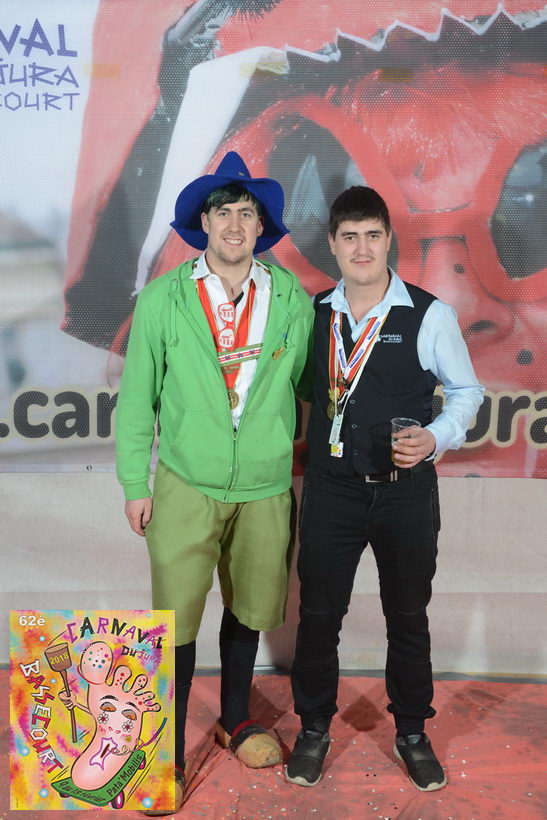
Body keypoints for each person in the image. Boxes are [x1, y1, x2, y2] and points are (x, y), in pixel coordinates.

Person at [115, 151, 313, 814]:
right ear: (204, 222)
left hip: (263, 485)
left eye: (246, 213)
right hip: (185, 482)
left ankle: (236, 719)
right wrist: (134, 483)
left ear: (261, 225)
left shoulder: (290, 298)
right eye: (223, 211)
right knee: (174, 617)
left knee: (249, 607)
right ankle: (166, 754)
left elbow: (311, 386)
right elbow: (136, 399)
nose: (234, 224)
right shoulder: (164, 298)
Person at [285, 186, 484, 793]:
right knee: (319, 615)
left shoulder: (429, 313)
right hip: (331, 489)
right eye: (350, 237)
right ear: (333, 244)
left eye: (373, 235)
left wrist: (435, 436)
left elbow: (467, 392)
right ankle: (313, 728)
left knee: (408, 616)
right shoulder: (313, 314)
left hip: (405, 492)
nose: (362, 248)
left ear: (389, 239)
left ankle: (413, 733)